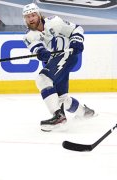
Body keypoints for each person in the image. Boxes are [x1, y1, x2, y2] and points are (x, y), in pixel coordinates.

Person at [22, 3, 96, 132]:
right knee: (61, 98)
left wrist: (76, 40)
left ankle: (58, 116)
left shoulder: (55, 22)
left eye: (33, 15)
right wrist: (41, 53)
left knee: (42, 79)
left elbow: (76, 29)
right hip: (56, 62)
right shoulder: (28, 36)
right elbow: (37, 47)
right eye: (27, 17)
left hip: (67, 55)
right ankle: (85, 113)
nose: (31, 19)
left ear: (39, 14)